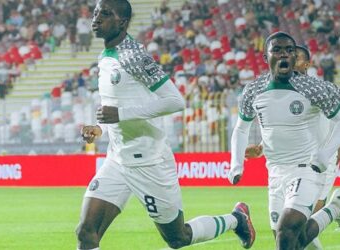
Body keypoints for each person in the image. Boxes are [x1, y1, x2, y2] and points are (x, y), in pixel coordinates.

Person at [76, 1, 256, 250]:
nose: (96, 19)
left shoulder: (134, 56)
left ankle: (236, 220)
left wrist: (120, 114)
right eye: (96, 12)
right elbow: (114, 105)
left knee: (177, 237)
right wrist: (100, 127)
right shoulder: (106, 55)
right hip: (117, 159)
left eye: (106, 14)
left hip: (149, 162)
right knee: (86, 232)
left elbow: (175, 101)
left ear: (122, 22)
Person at [228, 31, 340, 250]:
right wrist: (238, 163)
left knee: (287, 231)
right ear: (265, 56)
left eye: (290, 51)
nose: (286, 55)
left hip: (309, 168)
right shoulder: (254, 90)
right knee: (292, 241)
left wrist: (325, 153)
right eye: (277, 50)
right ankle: (335, 209)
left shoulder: (316, 89)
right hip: (276, 172)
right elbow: (245, 128)